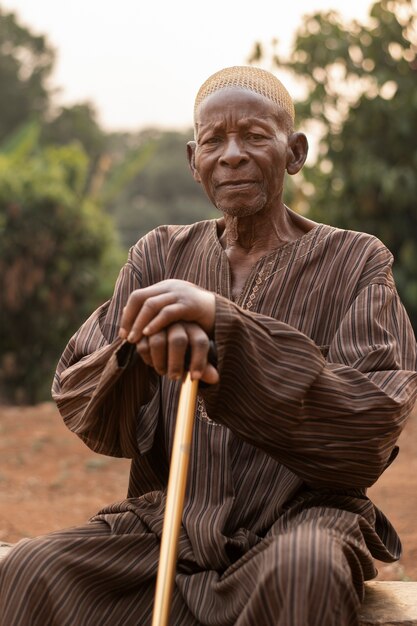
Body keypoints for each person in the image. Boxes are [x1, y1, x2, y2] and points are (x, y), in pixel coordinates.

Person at [1, 65, 416, 626]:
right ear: (193, 161)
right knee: (28, 570)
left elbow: (371, 422)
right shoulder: (158, 257)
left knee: (303, 574)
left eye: (254, 136)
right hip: (169, 522)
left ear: (295, 152)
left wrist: (226, 330)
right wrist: (138, 351)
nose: (233, 154)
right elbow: (84, 398)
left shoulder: (358, 262)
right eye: (214, 141)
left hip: (300, 522)